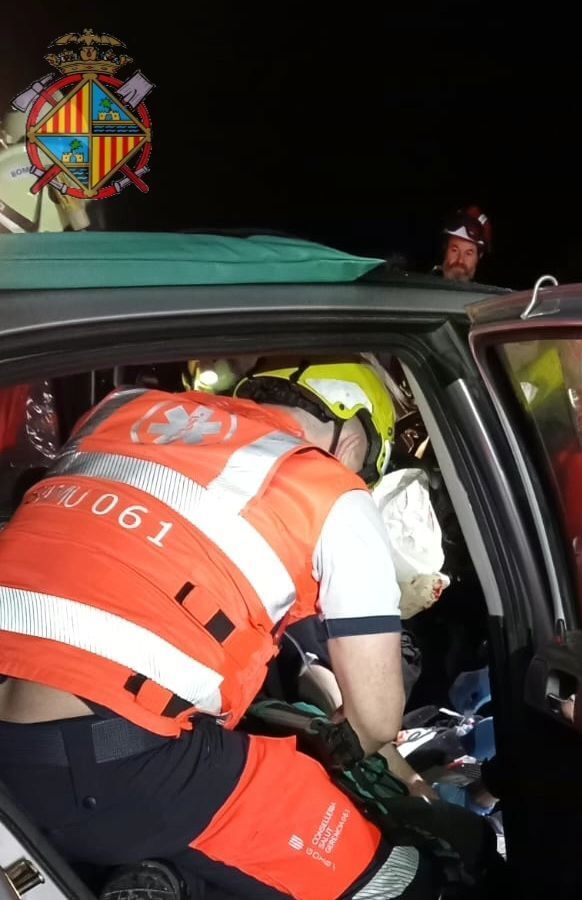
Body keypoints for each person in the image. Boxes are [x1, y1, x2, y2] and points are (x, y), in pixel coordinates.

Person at [0, 361, 439, 899]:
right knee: (395, 882)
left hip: (48, 735)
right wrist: (358, 757)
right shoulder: (331, 489)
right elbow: (374, 721)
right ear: (353, 441)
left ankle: (167, 874)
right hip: (97, 763)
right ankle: (174, 882)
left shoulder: (119, 408)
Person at [432, 205, 492, 283]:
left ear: (478, 257)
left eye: (468, 253)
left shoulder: (490, 294)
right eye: (454, 250)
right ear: (445, 249)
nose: (460, 260)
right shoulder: (418, 286)